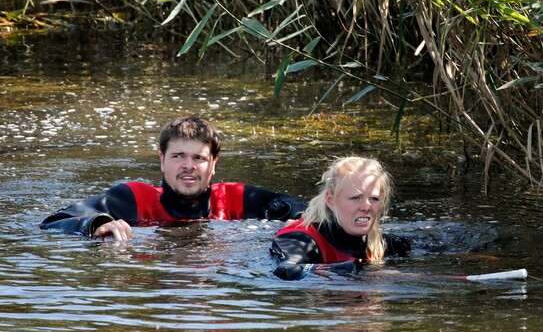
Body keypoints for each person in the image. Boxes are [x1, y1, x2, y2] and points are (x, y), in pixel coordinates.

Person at [40, 115, 307, 240]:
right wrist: (96, 224)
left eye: (199, 158)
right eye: (178, 156)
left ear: (213, 164)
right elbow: (52, 223)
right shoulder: (132, 198)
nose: (188, 166)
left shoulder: (235, 199)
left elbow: (305, 210)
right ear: (162, 160)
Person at [270, 156, 410, 280]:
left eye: (374, 198)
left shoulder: (382, 243)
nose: (366, 207)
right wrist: (362, 272)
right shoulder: (300, 239)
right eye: (356, 198)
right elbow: (285, 270)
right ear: (331, 201)